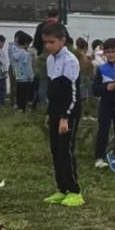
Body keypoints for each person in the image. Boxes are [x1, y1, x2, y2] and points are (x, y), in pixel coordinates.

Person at [40, 25, 84, 207]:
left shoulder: (70, 60)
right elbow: (53, 91)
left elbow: (71, 93)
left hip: (69, 113)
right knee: (56, 151)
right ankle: (62, 188)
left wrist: (65, 117)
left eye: (52, 42)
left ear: (62, 41)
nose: (48, 46)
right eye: (45, 42)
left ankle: (74, 191)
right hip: (56, 111)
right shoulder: (51, 60)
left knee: (65, 151)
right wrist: (51, 113)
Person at [93, 38, 115, 171]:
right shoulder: (101, 69)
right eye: (108, 52)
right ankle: (99, 158)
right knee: (103, 131)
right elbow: (95, 89)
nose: (111, 54)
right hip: (106, 104)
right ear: (104, 54)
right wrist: (107, 87)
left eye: (114, 51)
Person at [9, 31, 36, 111]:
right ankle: (24, 108)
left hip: (19, 76)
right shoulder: (25, 54)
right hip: (26, 77)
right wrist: (31, 76)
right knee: (25, 94)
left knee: (19, 93)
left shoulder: (15, 52)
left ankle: (19, 107)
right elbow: (28, 67)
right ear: (26, 43)